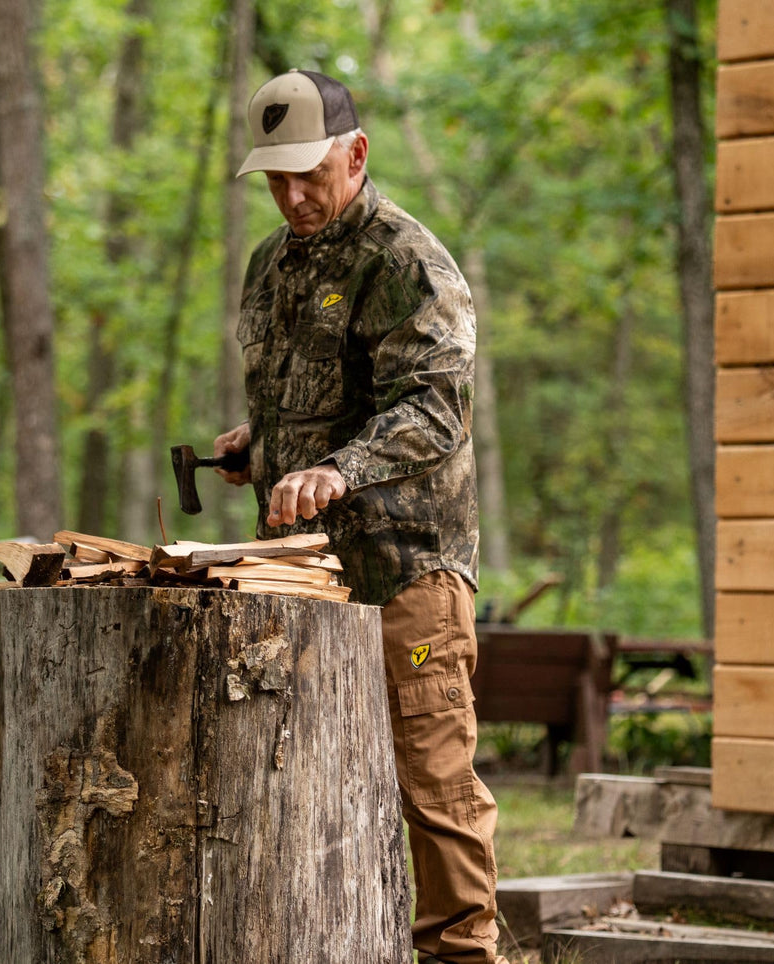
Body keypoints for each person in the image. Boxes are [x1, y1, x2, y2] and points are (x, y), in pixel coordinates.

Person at [213, 69, 507, 964]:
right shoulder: (271, 263)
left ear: (356, 153)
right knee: (301, 772)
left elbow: (430, 411)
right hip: (296, 572)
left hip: (404, 568)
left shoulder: (406, 260)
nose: (294, 196)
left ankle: (462, 955)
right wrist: (261, 447)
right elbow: (316, 402)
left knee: (433, 780)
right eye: (276, 178)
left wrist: (335, 471)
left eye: (309, 173)